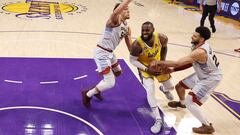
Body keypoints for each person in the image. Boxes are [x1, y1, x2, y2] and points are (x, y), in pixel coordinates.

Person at [150, 26, 222, 134]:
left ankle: (207, 126)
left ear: (202, 39)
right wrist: (173, 70)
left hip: (210, 78)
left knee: (191, 101)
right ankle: (182, 103)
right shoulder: (197, 45)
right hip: (202, 74)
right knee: (180, 87)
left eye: (195, 36)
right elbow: (190, 62)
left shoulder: (200, 52)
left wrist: (159, 62)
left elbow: (178, 62)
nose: (192, 36)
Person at [82, 0, 133, 108]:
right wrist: (127, 1)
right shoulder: (114, 21)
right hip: (102, 53)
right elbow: (115, 13)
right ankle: (87, 94)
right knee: (110, 83)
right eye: (125, 9)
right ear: (119, 11)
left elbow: (131, 48)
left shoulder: (127, 28)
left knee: (118, 72)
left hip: (110, 53)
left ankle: (97, 89)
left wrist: (139, 58)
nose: (128, 11)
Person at [129, 21, 174, 134]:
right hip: (145, 68)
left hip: (157, 65)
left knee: (171, 86)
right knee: (150, 91)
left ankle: (164, 89)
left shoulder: (162, 38)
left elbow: (164, 48)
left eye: (147, 30)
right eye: (142, 30)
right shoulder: (137, 45)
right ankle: (158, 120)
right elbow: (132, 60)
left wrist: (163, 62)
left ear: (153, 30)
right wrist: (147, 69)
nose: (144, 32)